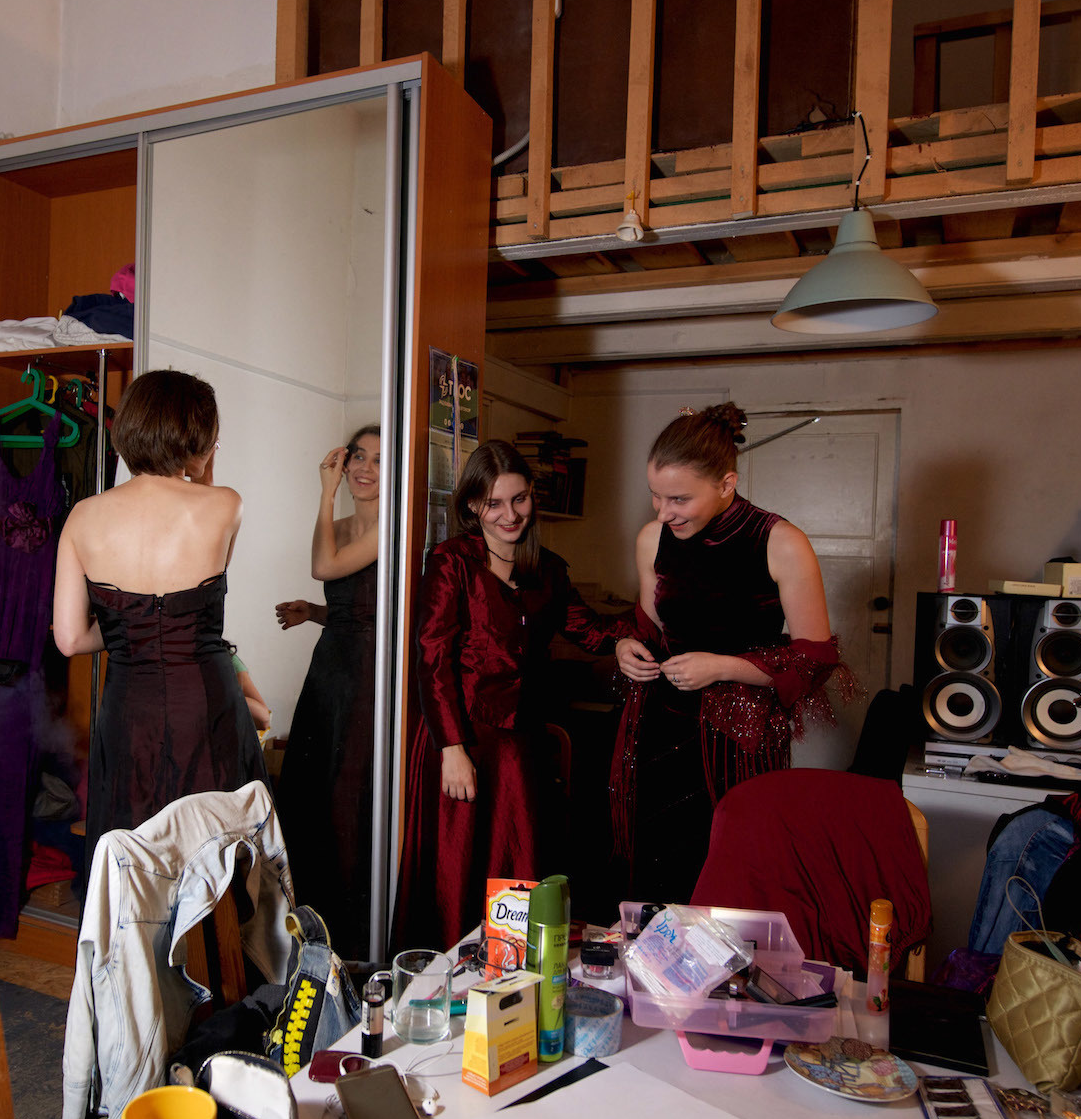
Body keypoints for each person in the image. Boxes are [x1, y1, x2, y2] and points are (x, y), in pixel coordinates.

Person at [611, 403, 849, 903]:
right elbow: (650, 624)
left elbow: (814, 660)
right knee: (655, 867)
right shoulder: (652, 538)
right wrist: (627, 647)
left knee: (729, 868)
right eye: (655, 496)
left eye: (678, 498)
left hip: (736, 739)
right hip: (658, 724)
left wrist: (722, 667)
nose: (662, 512)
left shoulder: (780, 542)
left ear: (726, 483)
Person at [395, 440, 624, 949]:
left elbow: (589, 630)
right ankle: (447, 987)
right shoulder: (452, 561)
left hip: (519, 746)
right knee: (456, 873)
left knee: (515, 871)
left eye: (518, 500)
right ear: (473, 505)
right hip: (462, 740)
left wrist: (629, 637)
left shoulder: (549, 568)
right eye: (493, 504)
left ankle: (509, 985)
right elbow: (432, 657)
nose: (508, 515)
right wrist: (451, 748)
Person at [53, 369, 269, 854]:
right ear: (200, 436)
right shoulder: (225, 505)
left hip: (130, 707)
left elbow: (69, 639)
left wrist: (126, 629)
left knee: (138, 853)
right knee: (214, 853)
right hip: (206, 702)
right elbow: (198, 601)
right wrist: (206, 472)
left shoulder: (84, 516)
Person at [274, 427, 381, 956]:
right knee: (310, 787)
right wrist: (315, 612)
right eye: (358, 455)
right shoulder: (341, 526)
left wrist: (323, 492)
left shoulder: (391, 525)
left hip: (367, 671)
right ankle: (308, 925)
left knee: (347, 793)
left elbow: (323, 566)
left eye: (380, 460)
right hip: (331, 666)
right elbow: (342, 596)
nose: (365, 467)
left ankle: (352, 931)